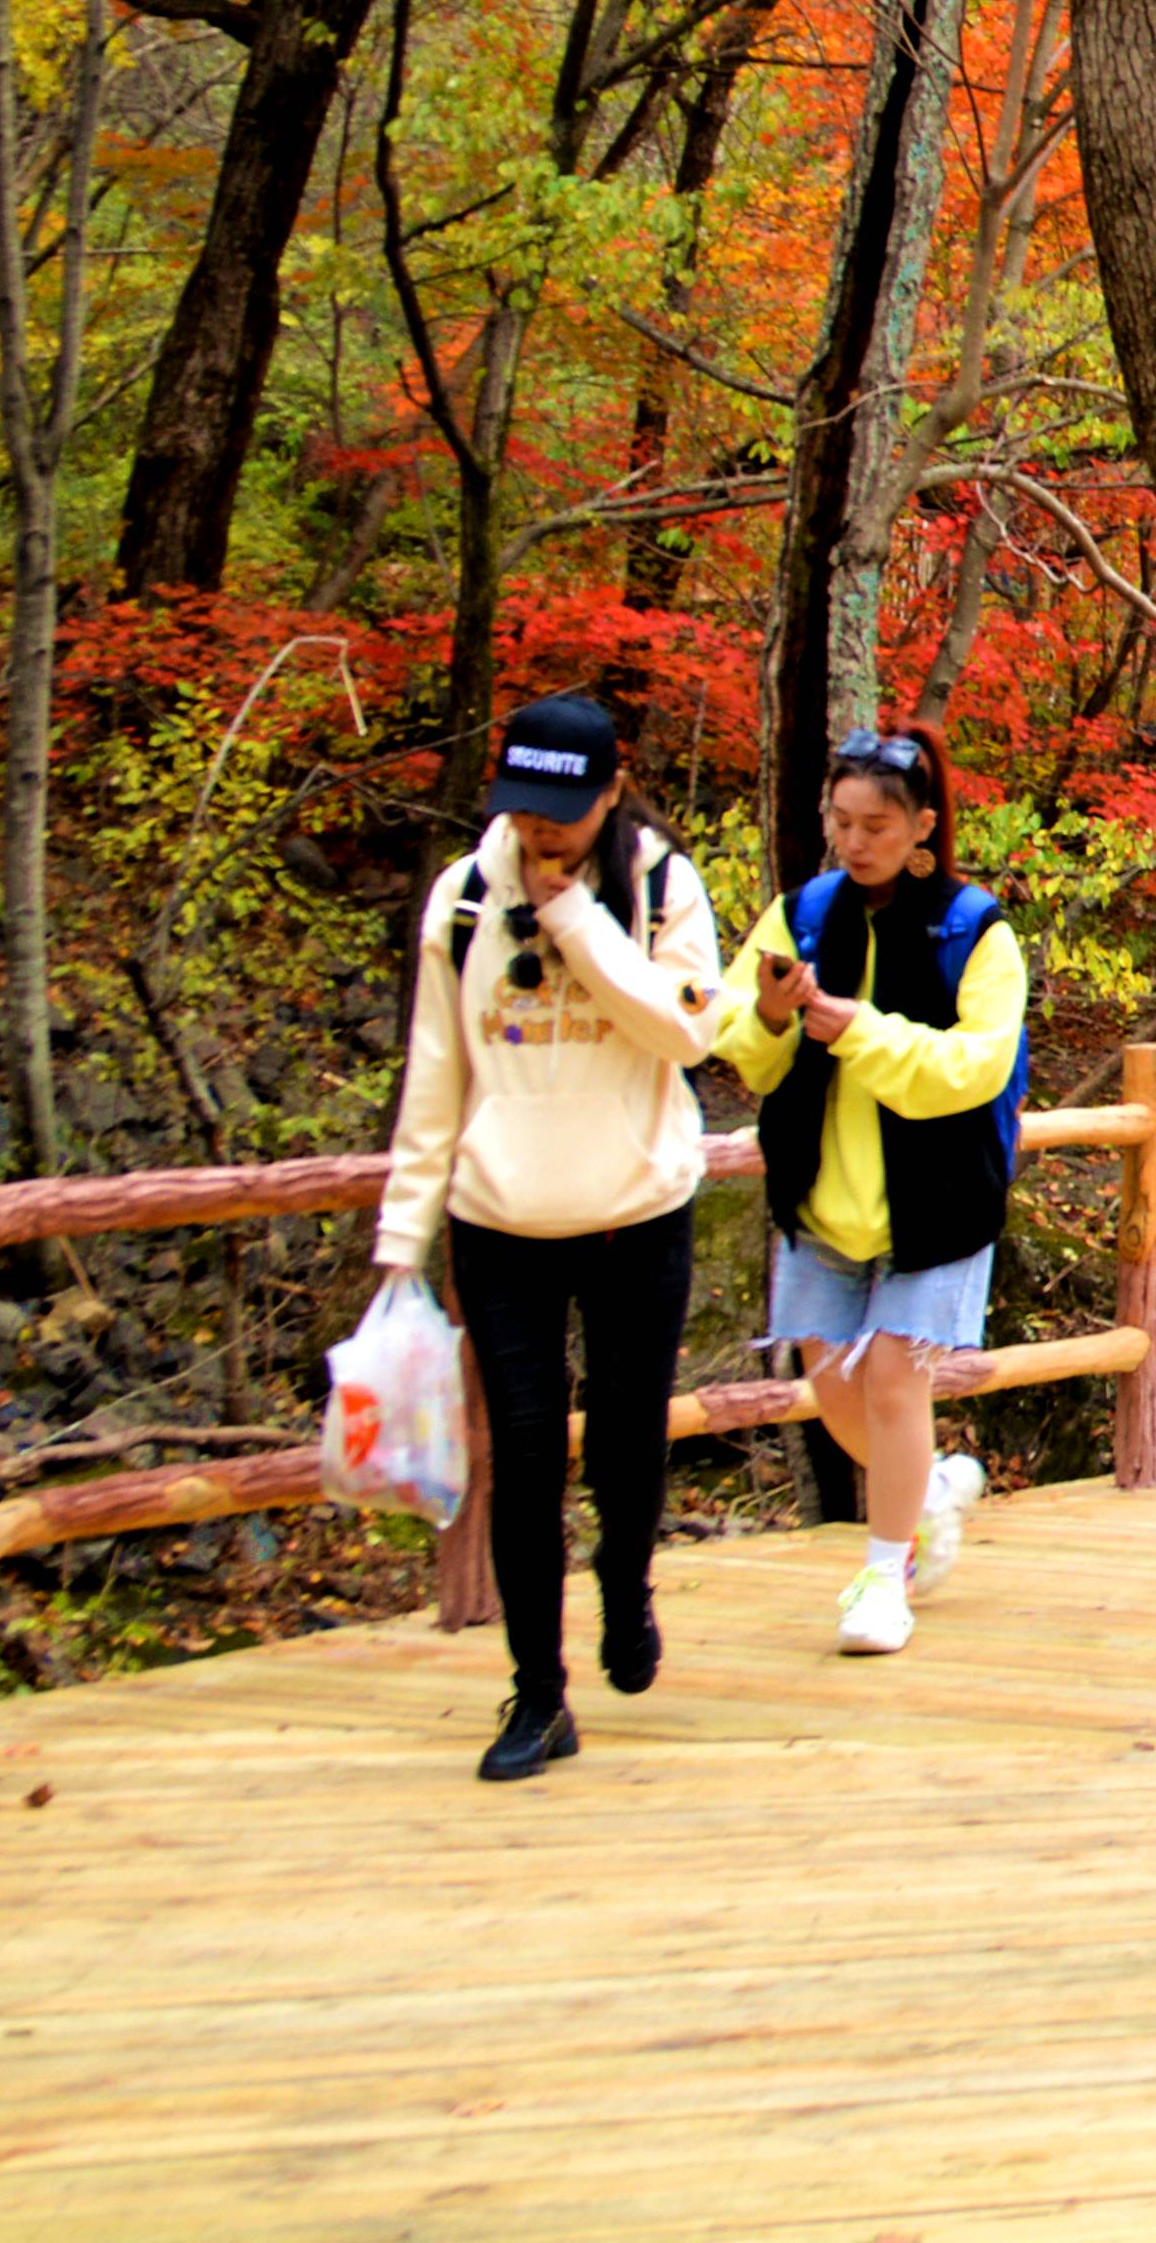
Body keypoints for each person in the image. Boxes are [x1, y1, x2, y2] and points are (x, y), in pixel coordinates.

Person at [374, 689, 729, 1784]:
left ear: (612, 791)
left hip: (636, 1217)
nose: (543, 832)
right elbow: (437, 1073)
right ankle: (537, 1693)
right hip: (500, 1223)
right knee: (524, 1457)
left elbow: (685, 1028)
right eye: (526, 809)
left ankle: (627, 1584)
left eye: (564, 811)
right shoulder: (464, 902)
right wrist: (402, 1239)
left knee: (626, 1443)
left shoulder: (663, 887)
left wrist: (576, 918)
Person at [713, 726, 1030, 1661]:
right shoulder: (803, 914)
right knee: (830, 1382)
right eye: (841, 822)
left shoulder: (974, 930)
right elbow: (742, 1041)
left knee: (893, 1379)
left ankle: (884, 1576)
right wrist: (772, 1016)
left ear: (924, 825)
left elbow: (976, 1068)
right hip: (821, 1199)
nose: (856, 842)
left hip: (937, 1205)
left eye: (878, 825)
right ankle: (927, 1496)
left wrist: (859, 1031)